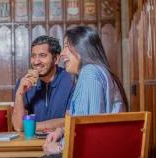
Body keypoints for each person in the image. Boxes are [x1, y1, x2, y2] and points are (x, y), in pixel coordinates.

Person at [43, 26, 127, 156]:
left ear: (82, 48)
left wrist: (59, 147)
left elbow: (91, 129)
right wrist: (62, 131)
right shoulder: (97, 71)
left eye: (67, 46)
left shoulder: (90, 73)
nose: (62, 53)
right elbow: (88, 119)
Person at [12, 35, 75, 132]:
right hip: (31, 144)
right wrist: (20, 93)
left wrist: (31, 126)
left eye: (42, 55)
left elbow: (70, 121)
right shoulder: (24, 82)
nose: (36, 61)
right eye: (33, 56)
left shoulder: (71, 80)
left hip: (61, 143)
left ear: (56, 59)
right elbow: (18, 126)